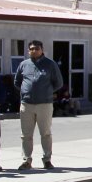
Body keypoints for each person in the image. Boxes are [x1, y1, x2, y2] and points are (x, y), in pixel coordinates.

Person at [13, 40, 63, 170]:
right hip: (27, 104)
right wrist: (27, 92)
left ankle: (47, 160)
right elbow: (17, 82)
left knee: (45, 133)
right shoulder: (24, 65)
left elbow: (58, 83)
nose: (33, 51)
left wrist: (45, 91)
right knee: (26, 135)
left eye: (36, 49)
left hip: (44, 104)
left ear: (42, 50)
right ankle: (26, 160)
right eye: (31, 49)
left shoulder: (50, 64)